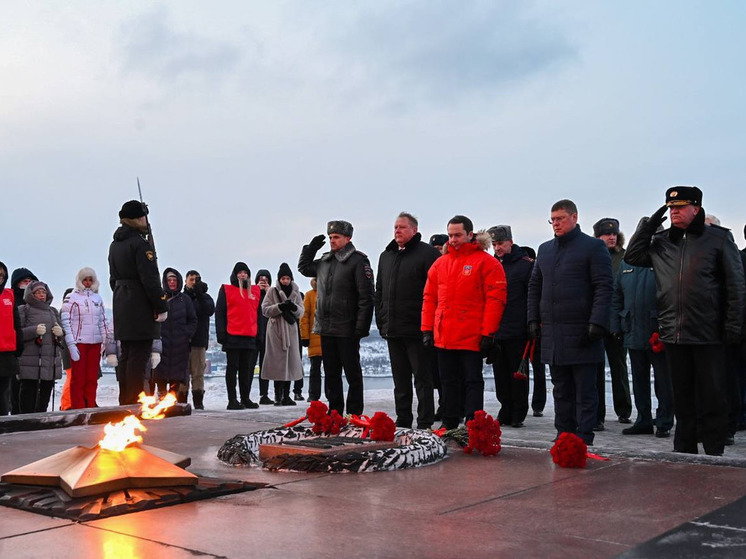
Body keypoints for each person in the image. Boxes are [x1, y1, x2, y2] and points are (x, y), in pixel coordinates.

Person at [626, 186, 745, 455]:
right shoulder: (663, 241)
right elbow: (633, 256)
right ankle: (684, 450)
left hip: (709, 332)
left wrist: (733, 327)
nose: (674, 211)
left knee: (713, 396)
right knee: (682, 397)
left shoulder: (718, 239)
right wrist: (650, 224)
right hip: (674, 332)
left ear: (696, 208)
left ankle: (714, 451)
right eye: (670, 208)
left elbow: (736, 286)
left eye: (680, 206)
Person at [527, 199, 613, 446]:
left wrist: (597, 321)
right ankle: (563, 434)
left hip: (583, 331)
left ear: (574, 217)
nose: (555, 224)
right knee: (561, 389)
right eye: (552, 219)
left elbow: (604, 287)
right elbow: (535, 286)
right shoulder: (545, 250)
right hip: (553, 332)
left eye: (560, 219)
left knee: (585, 390)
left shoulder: (593, 247)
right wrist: (533, 318)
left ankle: (584, 437)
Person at [421, 215, 507, 430]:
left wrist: (489, 333)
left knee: (472, 381)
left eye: (458, 235)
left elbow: (496, 299)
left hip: (471, 334)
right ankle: (449, 423)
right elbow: (429, 298)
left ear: (470, 235)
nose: (453, 240)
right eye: (450, 235)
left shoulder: (487, 263)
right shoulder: (441, 264)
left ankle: (473, 424)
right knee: (447, 382)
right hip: (444, 335)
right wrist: (426, 329)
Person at [298, 220, 375, 416]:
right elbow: (304, 268)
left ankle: (355, 414)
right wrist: (311, 248)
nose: (332, 241)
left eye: (336, 237)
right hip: (326, 327)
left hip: (347, 328)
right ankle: (335, 413)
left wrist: (361, 327)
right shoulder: (325, 261)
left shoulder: (358, 262)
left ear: (348, 238)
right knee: (331, 375)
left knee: (352, 374)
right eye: (330, 237)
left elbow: (367, 297)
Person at [376, 212, 440, 429]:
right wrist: (381, 320)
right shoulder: (387, 256)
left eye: (402, 227)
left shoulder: (428, 254)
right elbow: (380, 291)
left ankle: (425, 422)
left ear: (414, 230)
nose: (397, 231)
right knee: (400, 381)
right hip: (393, 329)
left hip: (417, 329)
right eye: (395, 227)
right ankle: (403, 419)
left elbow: (436, 292)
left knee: (422, 379)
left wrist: (429, 327)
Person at [108, 200, 168, 405]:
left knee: (126, 356)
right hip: (139, 304)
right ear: (136, 218)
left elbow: (112, 279)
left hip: (122, 302)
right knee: (138, 356)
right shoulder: (140, 245)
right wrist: (160, 305)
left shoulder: (115, 244)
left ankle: (125, 399)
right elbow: (150, 279)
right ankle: (133, 402)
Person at [611, 248, 674, 437]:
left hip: (658, 332)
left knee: (663, 380)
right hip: (632, 329)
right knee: (639, 380)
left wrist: (667, 326)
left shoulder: (664, 259)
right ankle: (643, 420)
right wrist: (616, 326)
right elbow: (617, 296)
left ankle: (664, 421)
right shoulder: (627, 264)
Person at [487, 225, 534, 428]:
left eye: (500, 243)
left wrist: (531, 324)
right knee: (501, 375)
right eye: (494, 244)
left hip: (518, 329)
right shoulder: (492, 265)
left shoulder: (526, 266)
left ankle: (518, 412)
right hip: (497, 330)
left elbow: (532, 297)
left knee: (518, 374)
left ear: (510, 242)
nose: (497, 248)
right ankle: (505, 408)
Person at [592, 218, 632, 430]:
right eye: (607, 234)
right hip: (597, 322)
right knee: (596, 369)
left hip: (618, 321)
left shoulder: (625, 258)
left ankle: (624, 410)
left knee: (619, 367)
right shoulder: (592, 257)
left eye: (614, 233)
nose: (611, 237)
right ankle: (597, 414)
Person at [60, 267, 112, 409]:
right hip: (79, 343)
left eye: (90, 280)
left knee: (92, 378)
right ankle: (78, 408)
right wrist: (71, 344)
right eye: (85, 280)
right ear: (80, 281)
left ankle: (90, 405)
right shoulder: (71, 298)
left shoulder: (98, 299)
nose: (88, 283)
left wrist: (105, 342)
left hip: (95, 343)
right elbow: (66, 321)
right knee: (78, 378)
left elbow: (102, 321)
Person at [215, 262, 261, 410]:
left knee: (246, 369)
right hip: (232, 336)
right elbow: (220, 313)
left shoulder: (255, 291)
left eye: (245, 272)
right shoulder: (226, 290)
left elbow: (258, 314)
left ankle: (245, 398)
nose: (243, 275)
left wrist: (259, 335)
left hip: (249, 336)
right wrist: (221, 335)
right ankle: (232, 399)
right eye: (240, 272)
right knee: (232, 368)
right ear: (235, 275)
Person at [17, 281, 65, 413]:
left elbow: (62, 333)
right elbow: (17, 334)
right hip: (30, 361)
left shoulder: (53, 311)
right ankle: (26, 421)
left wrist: (60, 333)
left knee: (46, 393)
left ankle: (41, 419)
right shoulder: (24, 310)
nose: (42, 295)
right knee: (28, 392)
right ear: (31, 294)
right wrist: (33, 331)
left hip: (49, 362)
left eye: (43, 292)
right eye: (38, 292)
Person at [261, 263, 304, 406]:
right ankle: (277, 396)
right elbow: (265, 310)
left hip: (291, 330)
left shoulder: (296, 291)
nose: (285, 281)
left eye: (287, 278)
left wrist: (293, 307)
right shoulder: (272, 291)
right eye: (283, 278)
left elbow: (301, 311)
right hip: (276, 331)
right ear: (279, 279)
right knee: (277, 363)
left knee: (291, 363)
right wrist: (279, 307)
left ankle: (287, 395)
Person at [153, 269, 197, 400]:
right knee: (160, 377)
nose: (172, 282)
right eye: (169, 280)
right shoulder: (159, 297)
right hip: (162, 343)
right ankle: (161, 403)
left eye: (174, 280)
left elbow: (193, 320)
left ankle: (172, 404)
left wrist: (186, 334)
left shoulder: (185, 300)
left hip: (180, 345)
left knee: (176, 379)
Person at [182, 270, 215, 409]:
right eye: (191, 279)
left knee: (198, 373)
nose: (194, 282)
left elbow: (209, 310)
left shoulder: (205, 297)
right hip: (183, 341)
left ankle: (198, 402)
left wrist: (200, 294)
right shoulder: (181, 297)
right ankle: (181, 401)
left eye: (197, 279)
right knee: (182, 374)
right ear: (186, 281)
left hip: (199, 340)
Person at [522, 245, 547, 417]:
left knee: (537, 367)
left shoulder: (536, 278)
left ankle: (538, 403)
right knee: (534, 368)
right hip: (527, 324)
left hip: (535, 326)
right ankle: (537, 404)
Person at [9, 267, 37, 414]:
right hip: (16, 350)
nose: (28, 284)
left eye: (30, 281)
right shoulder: (12, 301)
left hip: (33, 351)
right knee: (15, 387)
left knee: (31, 390)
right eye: (24, 281)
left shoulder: (36, 303)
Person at [0, 262, 23, 415]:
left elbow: (16, 322)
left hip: (6, 352)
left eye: (2, 275)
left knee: (3, 394)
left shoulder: (9, 295)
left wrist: (19, 344)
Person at [252, 269, 274, 405]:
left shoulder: (272, 295)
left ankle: (264, 394)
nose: (263, 281)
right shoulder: (252, 294)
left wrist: (268, 293)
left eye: (266, 279)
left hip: (268, 334)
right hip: (253, 334)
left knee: (265, 367)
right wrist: (257, 291)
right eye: (261, 279)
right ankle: (245, 396)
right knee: (249, 366)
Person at [300, 278, 323, 402]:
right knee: (315, 369)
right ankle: (313, 395)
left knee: (332, 370)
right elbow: (304, 317)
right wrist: (304, 337)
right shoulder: (309, 295)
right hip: (314, 338)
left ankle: (332, 394)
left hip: (330, 336)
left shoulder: (331, 292)